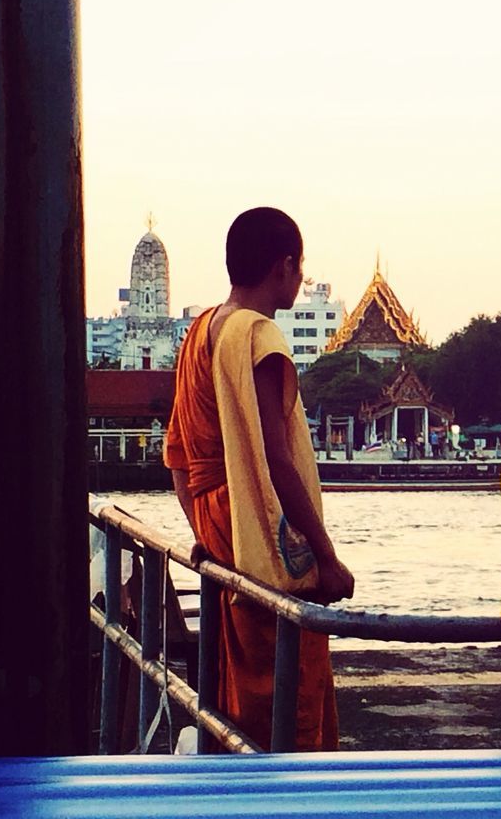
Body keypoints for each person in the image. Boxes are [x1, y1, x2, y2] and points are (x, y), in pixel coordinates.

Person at [164, 207, 355, 752]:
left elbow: (178, 457)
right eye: (299, 268)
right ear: (283, 265)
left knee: (240, 686)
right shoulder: (257, 334)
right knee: (291, 682)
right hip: (255, 520)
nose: (300, 279)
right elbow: (276, 457)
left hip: (216, 517)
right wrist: (325, 554)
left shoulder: (202, 329)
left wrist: (206, 529)